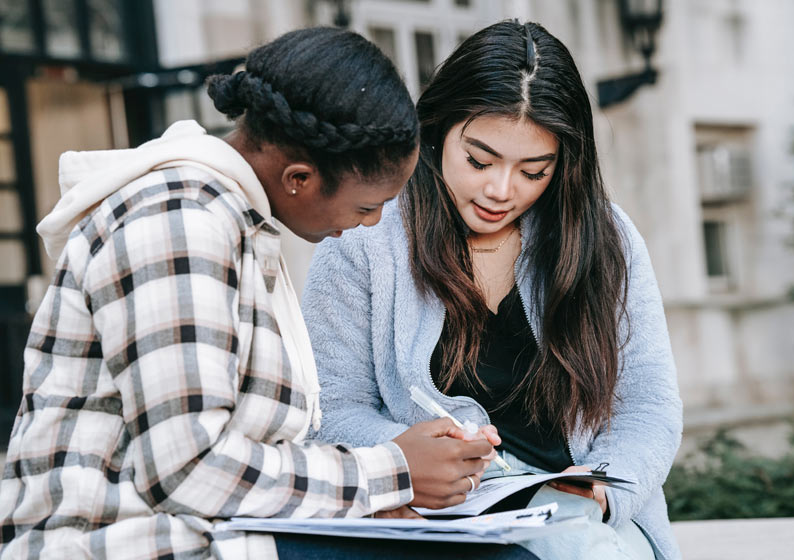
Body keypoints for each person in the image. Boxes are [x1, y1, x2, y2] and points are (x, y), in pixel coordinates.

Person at [0, 27, 524, 560]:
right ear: (299, 177)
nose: (372, 225)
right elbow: (189, 470)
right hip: (114, 544)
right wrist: (390, 471)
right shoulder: (178, 224)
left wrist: (362, 502)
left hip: (214, 535)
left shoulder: (233, 222)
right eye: (367, 207)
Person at [302, 20, 684, 560]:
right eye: (479, 160)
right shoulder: (364, 238)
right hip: (446, 519)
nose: (500, 191)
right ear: (436, 130)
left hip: (583, 512)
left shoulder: (606, 237)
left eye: (534, 171)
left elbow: (648, 404)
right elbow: (331, 410)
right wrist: (412, 455)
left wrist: (602, 482)